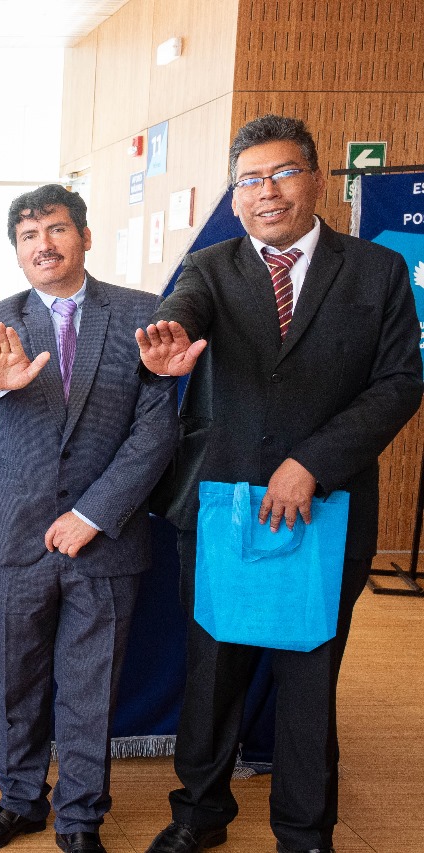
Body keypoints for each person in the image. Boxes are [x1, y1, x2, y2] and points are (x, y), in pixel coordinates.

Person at [136, 115, 424, 853]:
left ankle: (304, 830)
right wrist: (166, 348)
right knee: (213, 676)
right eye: (250, 179)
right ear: (235, 198)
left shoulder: (376, 270)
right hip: (224, 505)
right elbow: (179, 317)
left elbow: (399, 383)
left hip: (328, 508)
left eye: (283, 172)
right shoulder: (213, 267)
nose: (267, 191)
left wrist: (311, 462)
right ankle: (198, 812)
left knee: (308, 679)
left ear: (318, 178)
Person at [0, 185, 177, 853]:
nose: (42, 244)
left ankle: (79, 818)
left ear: (82, 235)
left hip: (103, 540)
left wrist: (92, 514)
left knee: (90, 686)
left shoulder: (142, 312)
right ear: (17, 250)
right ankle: (19, 800)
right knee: (18, 681)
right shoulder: (1, 315)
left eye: (55, 229)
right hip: (13, 535)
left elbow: (155, 428)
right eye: (28, 235)